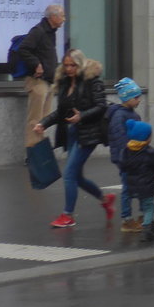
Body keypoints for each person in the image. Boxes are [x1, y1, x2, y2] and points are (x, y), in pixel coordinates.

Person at [33, 50, 115, 228]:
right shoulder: (64, 83)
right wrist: (43, 123)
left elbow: (102, 107)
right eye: (66, 65)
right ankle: (104, 199)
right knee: (76, 176)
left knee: (69, 174)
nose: (69, 69)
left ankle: (67, 215)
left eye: (73, 65)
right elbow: (61, 113)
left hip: (88, 134)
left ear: (80, 64)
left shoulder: (93, 81)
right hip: (71, 133)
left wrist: (82, 116)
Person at [19, 4, 65, 152]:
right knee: (35, 119)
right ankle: (32, 152)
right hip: (38, 82)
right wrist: (36, 64)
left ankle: (39, 151)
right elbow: (23, 49)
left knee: (44, 120)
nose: (64, 19)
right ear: (53, 17)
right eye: (62, 16)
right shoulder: (38, 31)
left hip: (48, 82)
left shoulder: (51, 32)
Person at [106, 78, 145, 232]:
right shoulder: (119, 116)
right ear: (127, 97)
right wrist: (128, 157)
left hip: (135, 157)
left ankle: (143, 217)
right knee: (128, 189)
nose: (139, 100)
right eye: (136, 97)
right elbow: (120, 140)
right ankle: (127, 219)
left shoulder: (130, 114)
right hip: (126, 159)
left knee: (140, 186)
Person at [120, 119, 154, 242]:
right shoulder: (150, 152)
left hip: (132, 184)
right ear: (146, 138)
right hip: (146, 184)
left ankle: (150, 226)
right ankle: (147, 230)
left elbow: (123, 166)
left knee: (146, 206)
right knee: (149, 207)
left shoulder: (126, 150)